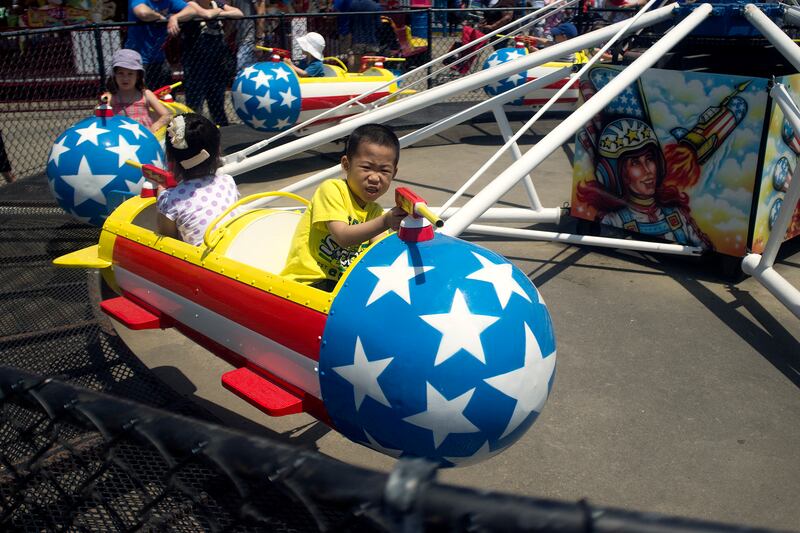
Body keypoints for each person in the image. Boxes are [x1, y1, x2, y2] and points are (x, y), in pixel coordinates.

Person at [281, 123, 406, 291]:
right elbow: (343, 237)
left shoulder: (374, 210)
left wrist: (406, 228)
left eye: (384, 171)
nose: (375, 178)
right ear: (346, 165)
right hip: (309, 283)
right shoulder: (332, 190)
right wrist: (386, 221)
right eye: (367, 168)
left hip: (341, 287)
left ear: (394, 173)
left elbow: (381, 251)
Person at [576, 118, 711, 249]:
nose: (648, 171)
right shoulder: (613, 221)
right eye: (635, 163)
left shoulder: (677, 214)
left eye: (650, 159)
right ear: (613, 175)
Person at [153, 113, 240, 245]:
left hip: (201, 263)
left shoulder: (170, 199)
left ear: (171, 157)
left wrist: (161, 197)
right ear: (217, 151)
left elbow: (167, 241)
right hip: (234, 249)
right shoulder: (228, 181)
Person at [182, 0, 243, 126]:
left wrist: (220, 12)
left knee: (216, 100)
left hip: (216, 64)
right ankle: (194, 129)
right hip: (196, 65)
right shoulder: (191, 5)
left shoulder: (217, 4)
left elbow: (239, 13)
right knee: (195, 102)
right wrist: (219, 12)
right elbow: (207, 15)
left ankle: (222, 129)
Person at [126, 0, 197, 90]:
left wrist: (175, 18)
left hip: (160, 58)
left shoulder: (169, 1)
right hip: (138, 59)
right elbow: (142, 13)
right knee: (140, 96)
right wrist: (159, 16)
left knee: (166, 95)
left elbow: (192, 10)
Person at [103, 49, 172, 134]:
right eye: (121, 73)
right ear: (114, 75)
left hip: (144, 138)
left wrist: (155, 126)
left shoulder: (145, 95)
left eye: (130, 74)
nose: (125, 78)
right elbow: (100, 117)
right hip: (120, 139)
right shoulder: (112, 97)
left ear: (138, 76)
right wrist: (104, 103)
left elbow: (167, 115)